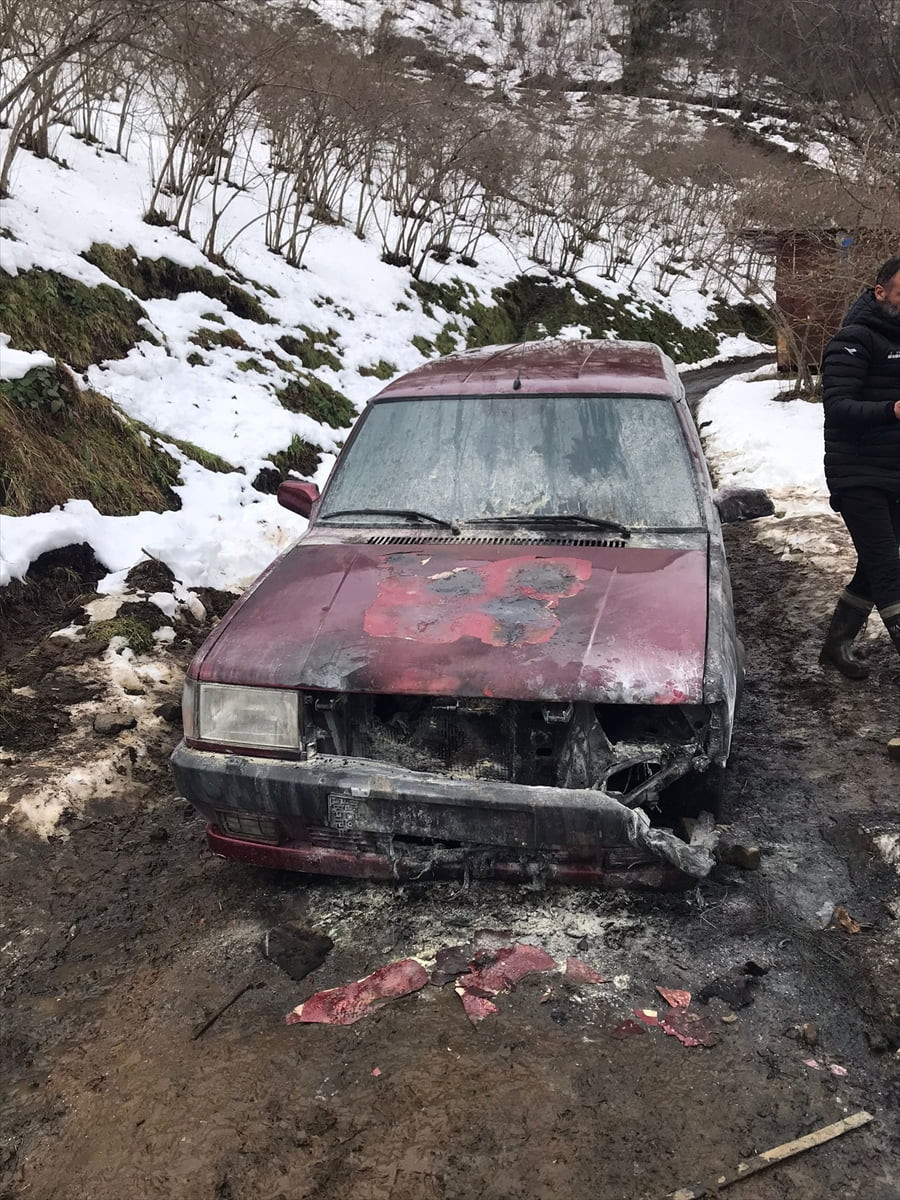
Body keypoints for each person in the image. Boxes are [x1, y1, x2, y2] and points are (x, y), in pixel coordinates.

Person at [819, 256, 900, 694]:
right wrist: (892, 410)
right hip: (859, 474)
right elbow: (838, 406)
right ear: (880, 292)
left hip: (895, 473)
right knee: (890, 569)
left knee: (875, 565)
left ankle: (836, 645)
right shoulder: (853, 339)